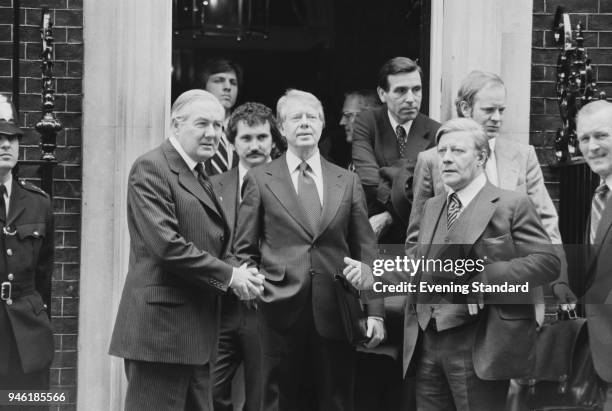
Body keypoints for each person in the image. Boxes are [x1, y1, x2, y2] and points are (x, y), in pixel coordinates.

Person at [109, 89, 264, 411]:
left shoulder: (198, 174)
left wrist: (243, 275)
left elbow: (216, 244)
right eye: (202, 124)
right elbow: (167, 246)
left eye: (218, 126)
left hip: (195, 333)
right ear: (176, 124)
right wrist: (231, 276)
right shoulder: (152, 168)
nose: (212, 134)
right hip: (161, 335)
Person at [233, 89, 385, 411]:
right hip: (277, 313)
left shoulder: (347, 180)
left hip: (336, 311)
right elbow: (244, 250)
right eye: (295, 117)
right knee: (279, 403)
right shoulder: (261, 180)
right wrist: (258, 292)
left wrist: (375, 312)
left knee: (335, 401)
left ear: (322, 123)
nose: (304, 123)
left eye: (311, 116)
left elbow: (366, 250)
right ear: (281, 127)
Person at [403, 118, 560, 411]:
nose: (446, 158)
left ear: (481, 158)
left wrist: (487, 277)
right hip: (428, 340)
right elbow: (418, 263)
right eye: (442, 151)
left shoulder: (511, 204)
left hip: (480, 342)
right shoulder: (432, 206)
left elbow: (547, 262)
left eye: (458, 151)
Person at [407, 70, 575, 305]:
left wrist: (560, 281)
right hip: (452, 305)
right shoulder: (433, 160)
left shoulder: (522, 156)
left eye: (501, 110)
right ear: (466, 108)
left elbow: (546, 224)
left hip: (514, 298)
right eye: (489, 110)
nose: (497, 118)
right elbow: (418, 238)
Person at [210, 102, 285, 411]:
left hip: (266, 306)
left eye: (262, 137)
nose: (255, 146)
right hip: (220, 307)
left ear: (274, 140)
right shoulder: (212, 187)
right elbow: (206, 242)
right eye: (246, 138)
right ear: (231, 142)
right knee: (211, 392)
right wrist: (233, 276)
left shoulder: (289, 186)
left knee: (262, 397)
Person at [0, 95, 55, 401]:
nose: (6, 145)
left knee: (29, 406)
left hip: (27, 337)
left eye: (12, 138)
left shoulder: (38, 203)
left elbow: (44, 273)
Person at [352, 57, 440, 244]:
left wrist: (389, 216)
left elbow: (431, 192)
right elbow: (368, 178)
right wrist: (405, 185)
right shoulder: (367, 122)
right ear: (382, 94)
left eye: (416, 90)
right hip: (373, 238)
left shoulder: (435, 132)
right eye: (401, 91)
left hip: (416, 240)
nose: (411, 98)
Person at [576, 100, 612, 411]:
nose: (592, 146)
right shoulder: (600, 194)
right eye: (584, 138)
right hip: (601, 352)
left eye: (602, 135)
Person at [201, 57, 243, 175]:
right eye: (219, 80)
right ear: (204, 86)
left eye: (233, 83)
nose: (228, 87)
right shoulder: (191, 127)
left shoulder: (244, 130)